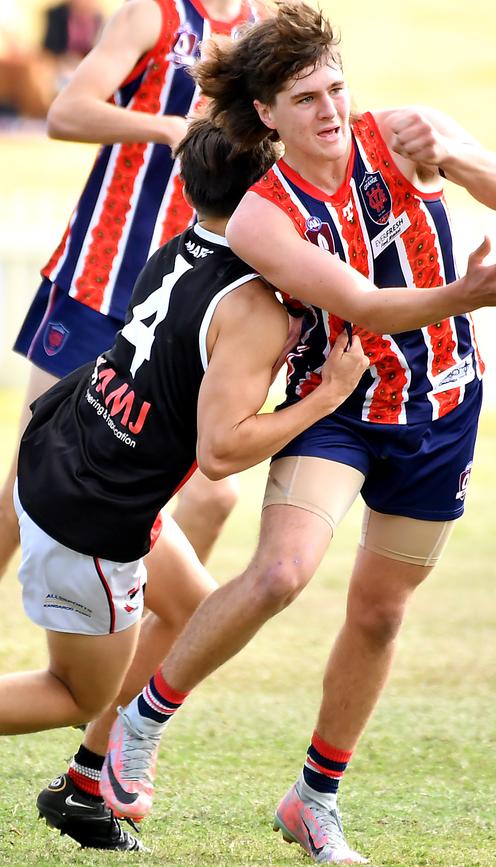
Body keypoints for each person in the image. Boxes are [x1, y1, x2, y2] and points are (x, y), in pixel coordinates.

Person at [100, 4, 496, 863]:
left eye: (337, 87)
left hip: (443, 409)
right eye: (305, 97)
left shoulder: (399, 132)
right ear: (266, 113)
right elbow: (366, 307)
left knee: (380, 615)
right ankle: (140, 723)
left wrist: (447, 153)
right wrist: (466, 295)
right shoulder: (266, 217)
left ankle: (313, 798)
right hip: (340, 406)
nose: (331, 110)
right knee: (278, 573)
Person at [1, 116, 369, 861]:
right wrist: (324, 399)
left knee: (196, 611)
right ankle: (86, 762)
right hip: (92, 510)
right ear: (270, 192)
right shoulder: (253, 304)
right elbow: (223, 449)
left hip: (63, 448)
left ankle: (85, 784)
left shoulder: (179, 244)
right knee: (77, 693)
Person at [0, 0, 269, 586]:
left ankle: (144, 661)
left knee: (211, 500)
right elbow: (65, 113)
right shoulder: (153, 15)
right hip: (99, 275)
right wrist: (165, 128)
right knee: (28, 480)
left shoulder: (263, 23)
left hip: (185, 293)